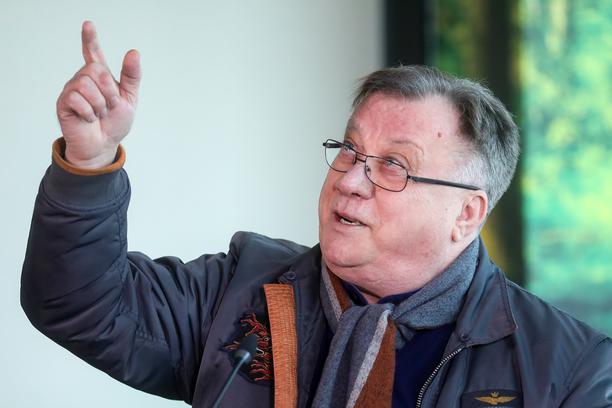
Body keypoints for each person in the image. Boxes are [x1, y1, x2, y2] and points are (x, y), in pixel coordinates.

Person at [21, 21, 611, 408]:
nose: (349, 180)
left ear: (466, 213)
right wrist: (89, 161)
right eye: (350, 151)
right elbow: (78, 304)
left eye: (393, 166)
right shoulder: (242, 290)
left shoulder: (569, 371)